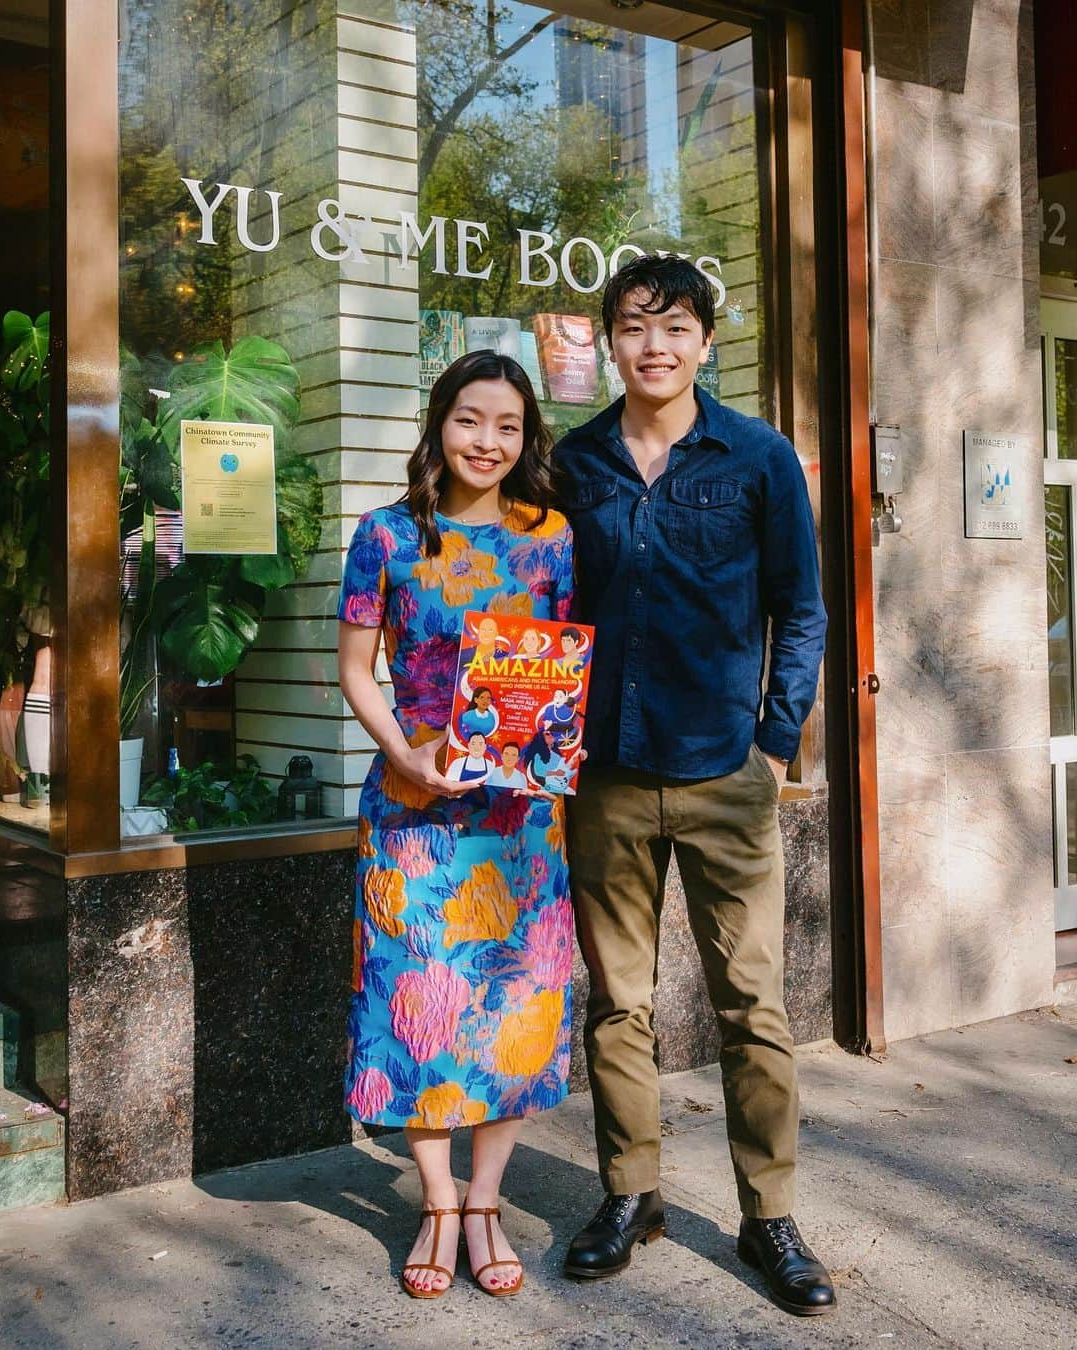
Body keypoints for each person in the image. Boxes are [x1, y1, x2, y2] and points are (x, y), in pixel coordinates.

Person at [555, 254, 833, 1316]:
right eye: (634, 327)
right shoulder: (575, 465)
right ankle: (632, 1194)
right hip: (607, 778)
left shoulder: (758, 459)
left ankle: (770, 1214)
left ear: (706, 343)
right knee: (618, 1005)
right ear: (611, 343)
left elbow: (799, 608)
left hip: (725, 772)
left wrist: (773, 741)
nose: (654, 346)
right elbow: (541, 604)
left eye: (674, 328)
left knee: (752, 1004)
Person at [337, 351, 575, 1300]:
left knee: (511, 1008)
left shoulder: (550, 536)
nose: (488, 442)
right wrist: (404, 755)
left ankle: (486, 1200)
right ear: (439, 426)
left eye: (508, 426)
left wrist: (562, 742)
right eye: (470, 421)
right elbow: (358, 670)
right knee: (416, 1010)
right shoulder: (388, 537)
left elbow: (558, 665)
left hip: (520, 817)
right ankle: (435, 1203)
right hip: (414, 811)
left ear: (527, 439)